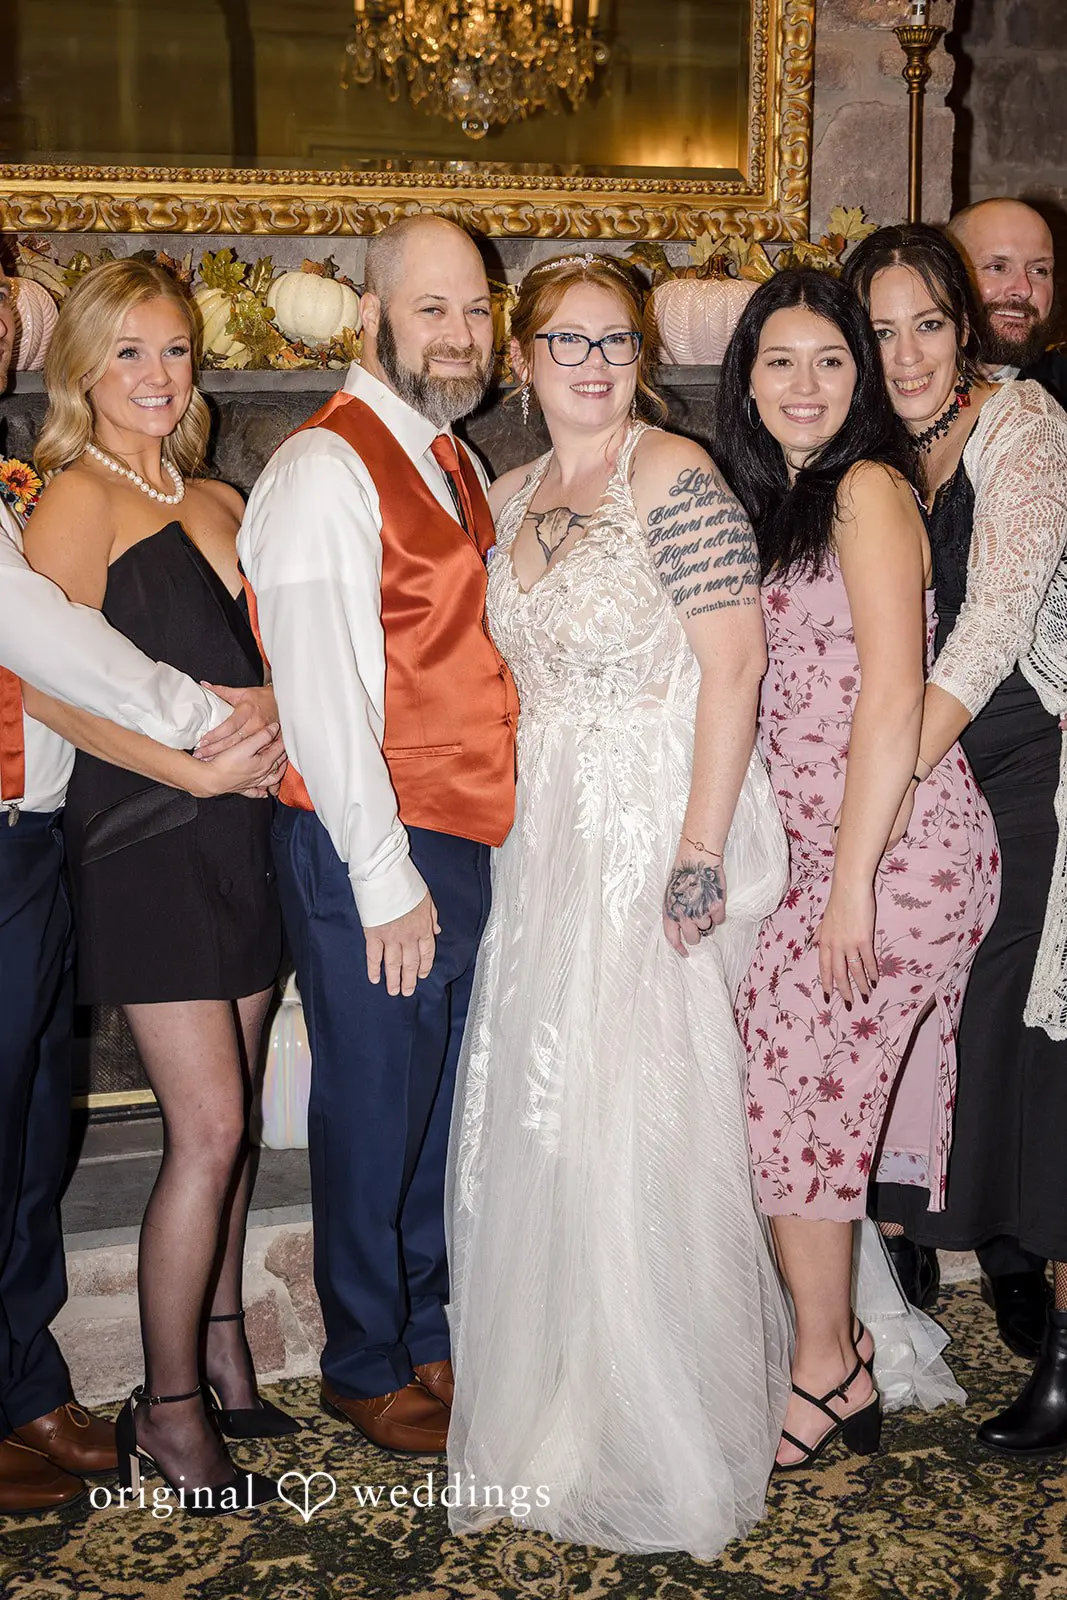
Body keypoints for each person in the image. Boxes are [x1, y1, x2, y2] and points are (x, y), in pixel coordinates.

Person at [445, 250, 792, 1557]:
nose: (590, 365)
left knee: (636, 1112)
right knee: (545, 1115)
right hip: (544, 837)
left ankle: (658, 1422)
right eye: (563, 343)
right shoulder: (509, 485)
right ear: (521, 362)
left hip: (646, 827)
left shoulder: (676, 477)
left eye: (611, 343)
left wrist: (696, 852)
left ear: (638, 358)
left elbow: (734, 663)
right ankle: (559, 1404)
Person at [0, 266, 282, 1515]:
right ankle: (166, 1412)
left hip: (246, 835)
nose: (157, 378)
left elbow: (273, 657)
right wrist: (189, 767)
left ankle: (222, 1347)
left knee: (246, 1111)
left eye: (173, 352)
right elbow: (49, 687)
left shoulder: (223, 494)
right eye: (127, 356)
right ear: (82, 373)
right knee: (208, 1127)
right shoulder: (72, 497)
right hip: (146, 837)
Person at [239, 215, 517, 1459]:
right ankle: (360, 1358)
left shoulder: (448, 459)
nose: (459, 336)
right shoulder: (321, 469)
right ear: (372, 320)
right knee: (370, 1103)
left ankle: (421, 1321)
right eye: (431, 310)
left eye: (475, 311)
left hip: (452, 833)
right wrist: (385, 875)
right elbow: (323, 697)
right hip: (374, 841)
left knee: (434, 1104)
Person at [719, 268, 999, 1471]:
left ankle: (824, 1370)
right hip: (824, 849)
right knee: (784, 1105)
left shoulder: (868, 489)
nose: (805, 384)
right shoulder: (777, 498)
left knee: (795, 1107)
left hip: (893, 849)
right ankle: (828, 1359)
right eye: (779, 360)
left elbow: (894, 693)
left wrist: (845, 884)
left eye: (830, 360)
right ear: (744, 377)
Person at [846, 223, 1067, 1456]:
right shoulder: (875, 445)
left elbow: (988, 629)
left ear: (963, 322)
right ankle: (908, 1249)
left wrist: (876, 785)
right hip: (940, 776)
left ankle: (1058, 1348)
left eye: (926, 323)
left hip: (1032, 770)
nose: (905, 352)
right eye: (878, 331)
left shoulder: (1022, 427)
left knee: (1039, 1051)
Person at [948, 197, 1066, 407]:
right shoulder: (891, 388)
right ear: (948, 275)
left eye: (1039, 270)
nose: (1023, 289)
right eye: (997, 267)